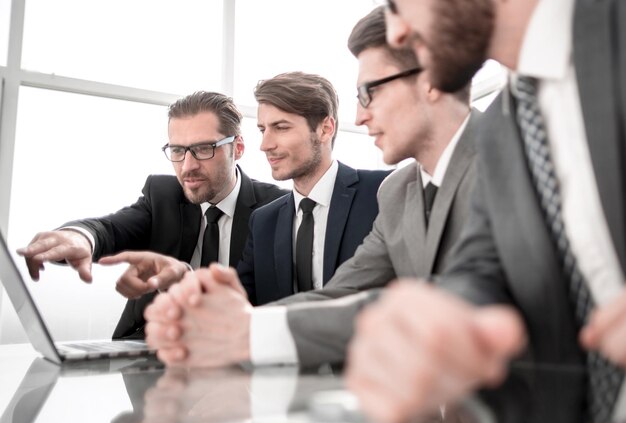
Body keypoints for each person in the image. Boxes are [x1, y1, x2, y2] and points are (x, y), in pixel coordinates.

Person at [142, 6, 480, 368]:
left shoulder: (504, 159)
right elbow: (340, 293)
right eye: (262, 130)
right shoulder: (399, 191)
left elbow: (452, 298)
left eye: (369, 92)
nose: (360, 116)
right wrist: (220, 319)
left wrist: (246, 330)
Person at [346, 0, 626, 423]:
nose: (398, 32)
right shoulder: (503, 123)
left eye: (398, 5)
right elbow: (481, 267)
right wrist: (454, 318)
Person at [17, 91, 287, 339]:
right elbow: (111, 228)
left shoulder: (277, 209)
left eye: (204, 149)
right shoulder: (163, 196)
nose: (187, 166)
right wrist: (82, 238)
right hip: (150, 356)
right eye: (178, 151)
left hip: (237, 358)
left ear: (237, 148)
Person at [236, 72, 389, 306]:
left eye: (281, 127)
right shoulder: (263, 221)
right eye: (262, 129)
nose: (265, 145)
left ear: (325, 129)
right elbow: (240, 304)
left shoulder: (381, 193)